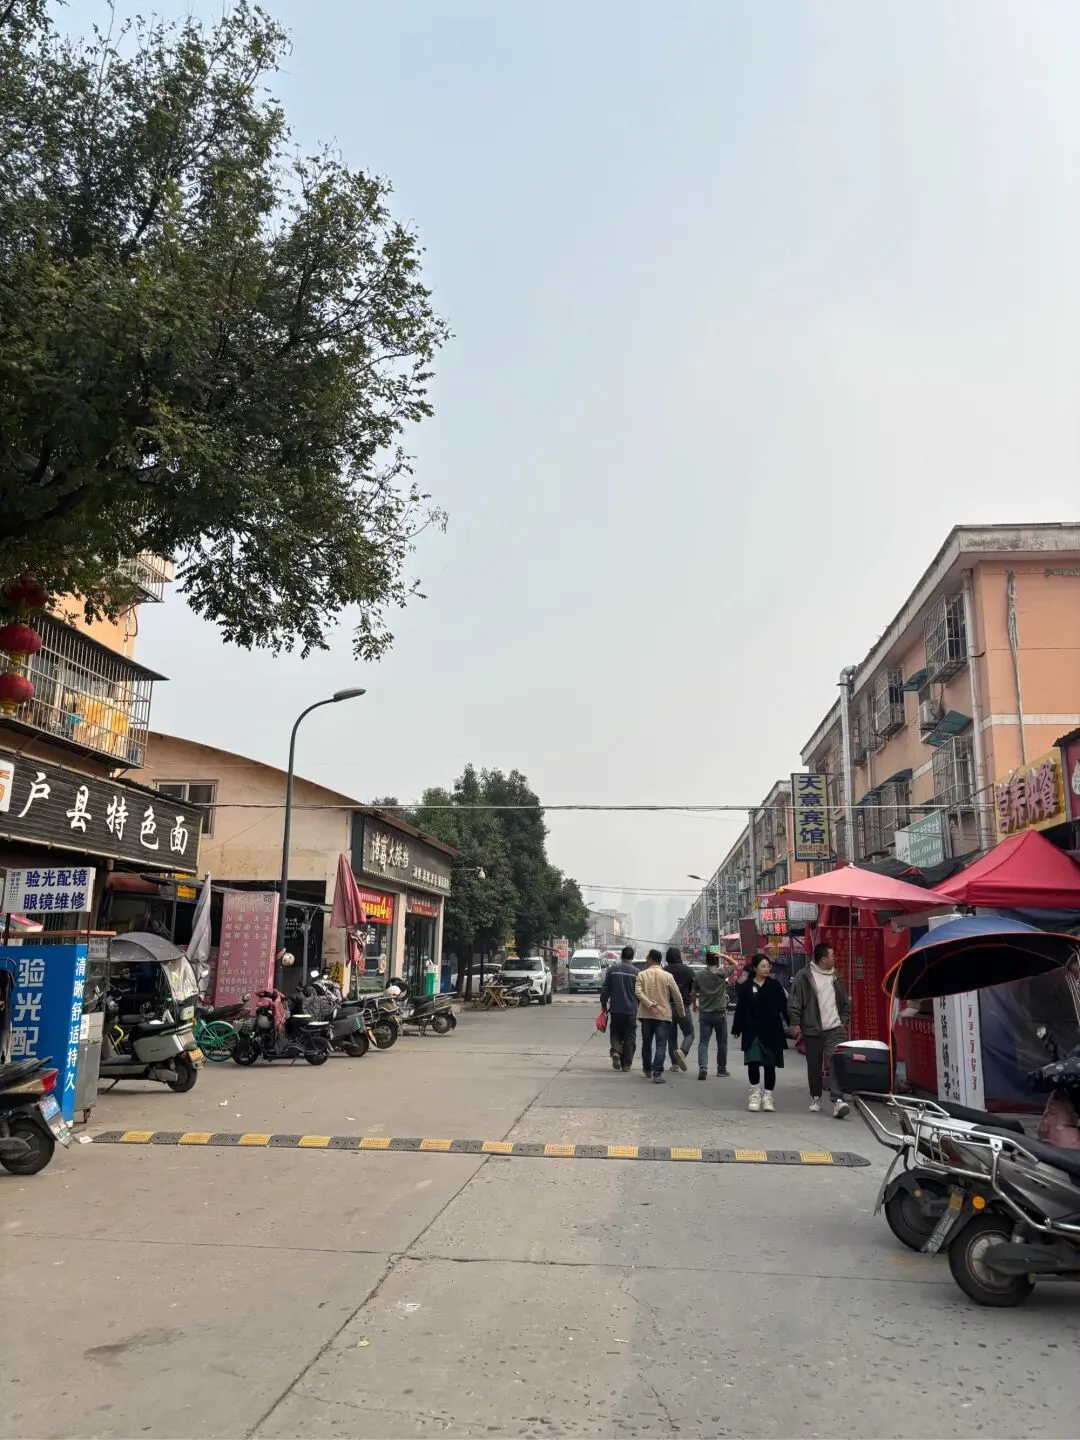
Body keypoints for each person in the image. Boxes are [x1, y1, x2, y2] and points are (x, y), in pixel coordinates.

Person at [788, 942, 852, 1118]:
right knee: (814, 1065)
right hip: (812, 1029)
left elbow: (844, 1002)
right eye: (832, 956)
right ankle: (815, 1097)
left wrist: (843, 1022)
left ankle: (837, 1100)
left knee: (835, 1062)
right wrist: (795, 1023)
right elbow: (795, 1001)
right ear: (823, 959)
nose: (835, 958)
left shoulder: (836, 977)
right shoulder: (804, 976)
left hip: (834, 1029)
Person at [731, 953, 789, 1112]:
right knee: (753, 1062)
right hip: (752, 1031)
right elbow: (741, 1009)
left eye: (768, 966)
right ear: (755, 968)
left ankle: (768, 1097)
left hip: (772, 1030)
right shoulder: (746, 987)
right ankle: (755, 1093)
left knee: (770, 1065)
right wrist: (737, 1028)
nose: (766, 969)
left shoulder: (775, 986)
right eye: (763, 966)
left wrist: (792, 1023)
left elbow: (784, 1006)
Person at [634, 947, 685, 1084]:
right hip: (663, 1015)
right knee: (661, 1045)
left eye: (647, 958)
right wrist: (681, 1013)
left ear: (651, 959)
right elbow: (677, 996)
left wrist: (649, 1004)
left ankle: (647, 1069)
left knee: (646, 1043)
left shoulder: (641, 975)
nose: (646, 960)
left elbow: (638, 992)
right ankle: (657, 1074)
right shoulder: (667, 976)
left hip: (646, 1015)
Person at [692, 950, 731, 1079]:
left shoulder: (699, 975)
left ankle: (703, 1067)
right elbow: (735, 964)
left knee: (703, 1042)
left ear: (706, 961)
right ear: (717, 961)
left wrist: (694, 1004)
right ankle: (721, 1069)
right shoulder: (722, 973)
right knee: (722, 1043)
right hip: (720, 1014)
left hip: (705, 1014)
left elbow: (693, 992)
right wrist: (723, 955)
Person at [600, 945, 639, 1072]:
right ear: (632, 957)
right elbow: (639, 993)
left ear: (621, 956)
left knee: (615, 1032)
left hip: (616, 1010)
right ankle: (626, 1064)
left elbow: (606, 989)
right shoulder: (636, 972)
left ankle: (616, 1051)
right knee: (629, 1037)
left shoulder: (612, 970)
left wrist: (603, 1004)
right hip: (631, 1011)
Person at [663, 946, 696, 1071]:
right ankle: (682, 1051)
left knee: (671, 1037)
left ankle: (675, 1064)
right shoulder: (688, 970)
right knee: (689, 1033)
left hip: (668, 1007)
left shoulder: (664, 971)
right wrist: (692, 1002)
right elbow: (693, 990)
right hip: (683, 1006)